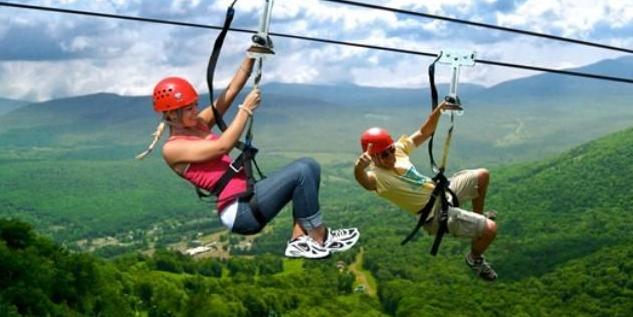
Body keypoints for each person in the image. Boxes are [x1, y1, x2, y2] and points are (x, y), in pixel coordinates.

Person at [137, 55, 359, 259]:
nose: (195, 110)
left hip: (248, 198)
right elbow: (222, 147)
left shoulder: (199, 124)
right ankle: (320, 234)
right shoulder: (173, 148)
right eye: (188, 109)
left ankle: (300, 239)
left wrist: (251, 55)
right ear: (170, 114)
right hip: (239, 211)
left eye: (195, 104)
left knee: (309, 166)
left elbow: (232, 90)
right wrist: (246, 109)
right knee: (302, 172)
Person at [354, 102, 498, 281]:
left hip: (443, 193)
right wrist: (359, 169)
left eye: (390, 150)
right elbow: (365, 182)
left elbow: (424, 133)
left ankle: (478, 217)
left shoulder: (398, 151)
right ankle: (474, 259)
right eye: (384, 154)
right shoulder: (377, 178)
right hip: (435, 215)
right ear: (373, 158)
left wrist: (438, 111)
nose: (391, 156)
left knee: (482, 175)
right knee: (491, 230)